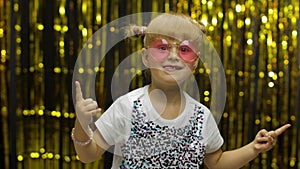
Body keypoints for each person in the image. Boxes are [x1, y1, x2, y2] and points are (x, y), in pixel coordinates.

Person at [72, 13, 291, 168]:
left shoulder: (201, 117)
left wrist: (254, 148)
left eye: (185, 50)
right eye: (162, 47)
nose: (174, 56)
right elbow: (88, 155)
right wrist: (81, 124)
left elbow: (216, 162)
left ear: (195, 62)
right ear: (146, 57)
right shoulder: (128, 107)